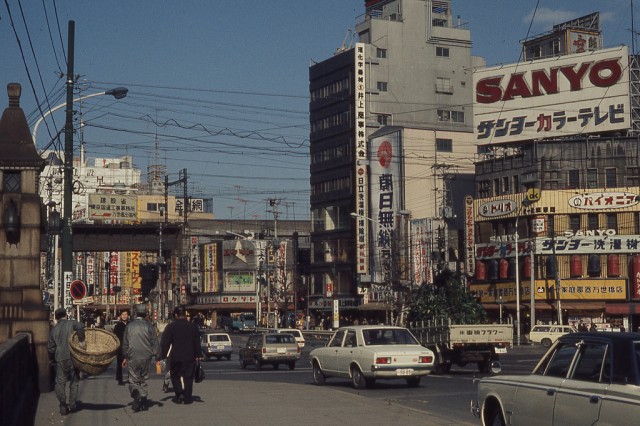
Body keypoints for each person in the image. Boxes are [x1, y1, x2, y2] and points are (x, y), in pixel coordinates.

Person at [159, 306, 202, 405]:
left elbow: (165, 342)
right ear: (185, 314)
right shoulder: (192, 326)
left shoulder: (171, 326)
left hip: (176, 356)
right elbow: (197, 342)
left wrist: (163, 355)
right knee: (188, 377)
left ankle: (178, 393)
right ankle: (187, 398)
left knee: (174, 375)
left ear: (176, 315)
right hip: (189, 356)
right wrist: (198, 355)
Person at [48, 308, 86, 416]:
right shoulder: (71, 324)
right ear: (66, 315)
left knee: (60, 382)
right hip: (73, 357)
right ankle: (72, 404)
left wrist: (53, 356)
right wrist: (81, 340)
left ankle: (63, 403)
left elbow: (50, 348)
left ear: (56, 317)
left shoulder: (54, 330)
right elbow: (80, 326)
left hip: (60, 358)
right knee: (74, 382)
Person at [122, 304, 158, 412]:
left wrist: (125, 355)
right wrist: (156, 355)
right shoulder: (149, 326)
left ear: (136, 313)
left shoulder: (129, 326)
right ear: (146, 314)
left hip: (133, 356)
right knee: (144, 379)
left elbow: (125, 343)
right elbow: (155, 342)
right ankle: (143, 399)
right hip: (146, 356)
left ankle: (135, 392)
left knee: (133, 379)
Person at [113, 310, 130, 385]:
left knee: (131, 363)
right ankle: (120, 379)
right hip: (120, 346)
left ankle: (131, 378)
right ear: (120, 316)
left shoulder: (130, 324)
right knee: (119, 363)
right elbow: (115, 337)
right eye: (123, 314)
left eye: (126, 314)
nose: (124, 316)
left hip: (130, 346)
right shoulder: (118, 326)